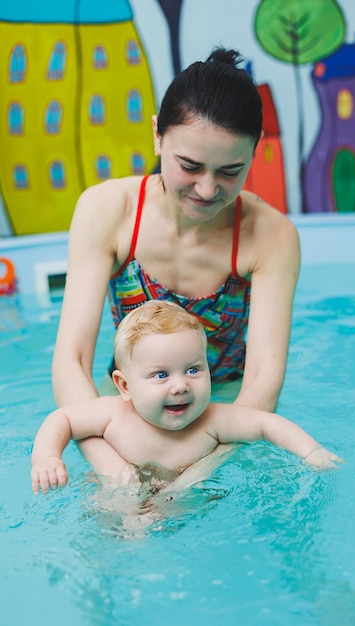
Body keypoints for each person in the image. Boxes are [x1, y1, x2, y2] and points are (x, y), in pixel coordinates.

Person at [51, 47, 301, 479]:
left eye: (230, 171)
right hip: (126, 418)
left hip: (221, 425)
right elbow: (70, 359)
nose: (207, 189)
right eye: (189, 166)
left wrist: (190, 477)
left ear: (254, 152)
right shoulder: (107, 212)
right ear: (157, 136)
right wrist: (116, 468)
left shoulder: (271, 235)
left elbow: (261, 385)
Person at [32, 302, 343, 495]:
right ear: (124, 386)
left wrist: (311, 451)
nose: (180, 386)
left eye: (193, 369)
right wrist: (46, 457)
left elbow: (266, 424)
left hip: (189, 506)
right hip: (116, 497)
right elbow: (62, 418)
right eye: (161, 375)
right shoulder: (113, 415)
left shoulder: (214, 421)